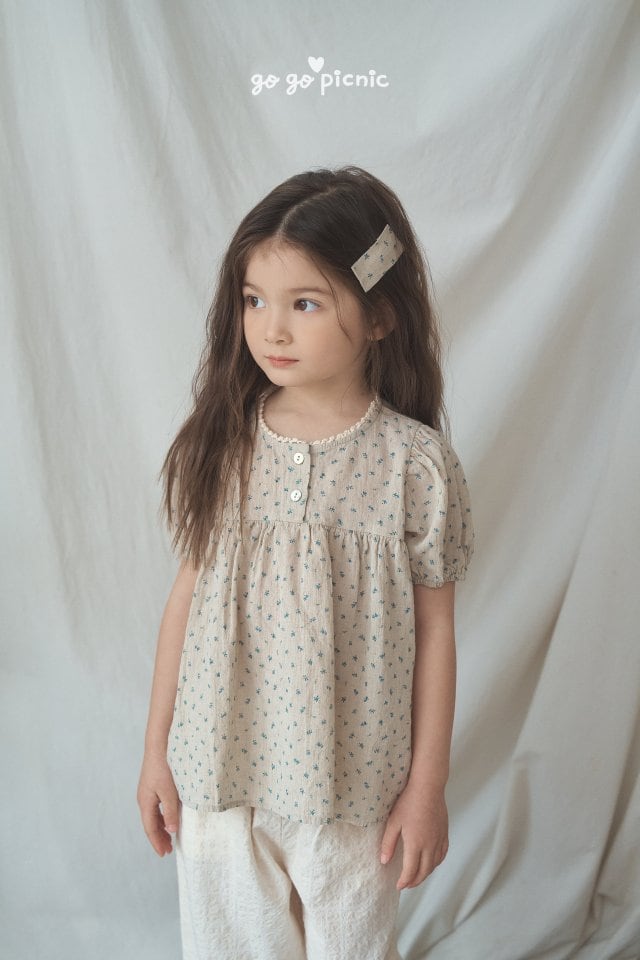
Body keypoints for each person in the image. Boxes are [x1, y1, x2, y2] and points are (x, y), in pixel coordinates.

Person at [137, 165, 475, 960]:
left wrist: (427, 787)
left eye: (306, 304)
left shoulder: (415, 465)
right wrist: (156, 752)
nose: (272, 330)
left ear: (381, 315)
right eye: (255, 300)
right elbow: (185, 600)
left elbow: (437, 633)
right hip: (218, 773)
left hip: (353, 784)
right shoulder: (224, 443)